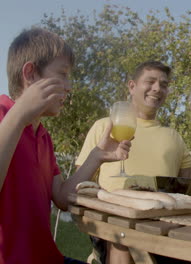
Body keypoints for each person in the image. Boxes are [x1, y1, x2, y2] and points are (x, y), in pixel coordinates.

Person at [0, 28, 131, 264]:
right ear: (30, 73)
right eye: (62, 74)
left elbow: (61, 197)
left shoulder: (42, 136)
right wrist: (19, 114)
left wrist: (97, 156)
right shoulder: (2, 115)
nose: (69, 87)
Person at [76, 60, 191, 263]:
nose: (157, 89)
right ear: (132, 86)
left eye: (164, 84)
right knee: (123, 239)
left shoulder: (173, 136)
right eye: (150, 81)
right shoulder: (105, 127)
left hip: (163, 229)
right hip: (114, 230)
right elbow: (82, 185)